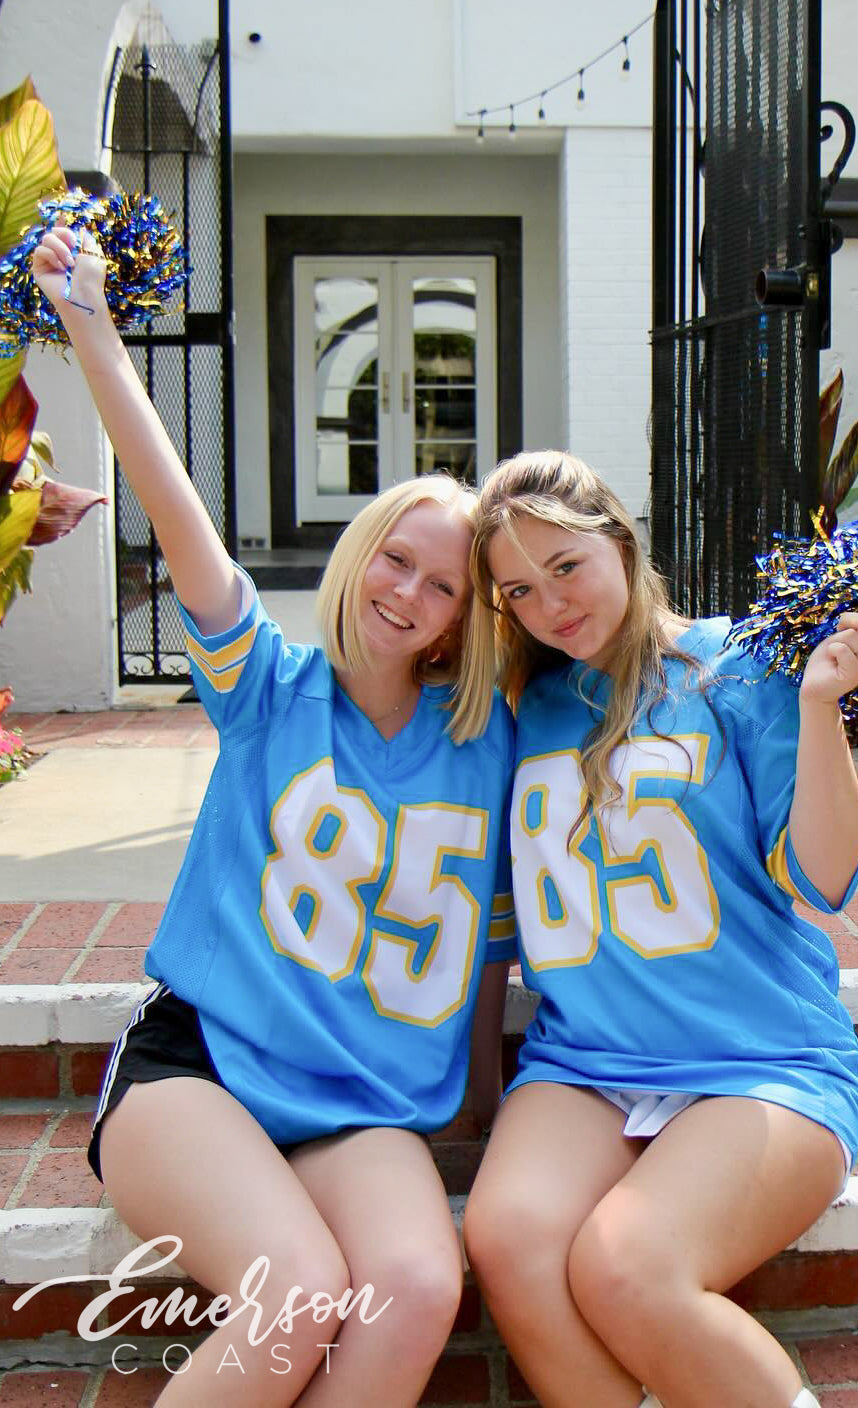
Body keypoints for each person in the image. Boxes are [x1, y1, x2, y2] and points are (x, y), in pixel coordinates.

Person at [32, 226, 516, 1408]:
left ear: (463, 618)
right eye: (395, 559)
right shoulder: (269, 688)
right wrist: (90, 324)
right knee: (296, 1290)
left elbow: (493, 944)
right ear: (360, 559)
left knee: (411, 1285)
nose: (408, 591)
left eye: (442, 582)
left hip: (361, 1104)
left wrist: (486, 1112)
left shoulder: (492, 744)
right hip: (196, 1073)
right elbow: (177, 505)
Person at [463, 451, 858, 1408]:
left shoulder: (740, 663)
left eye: (565, 568)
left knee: (624, 1265)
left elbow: (823, 881)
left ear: (619, 538)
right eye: (519, 591)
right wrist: (485, 1089)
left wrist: (819, 709)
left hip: (759, 1058)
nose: (551, 607)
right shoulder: (522, 706)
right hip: (588, 1062)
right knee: (508, 1240)